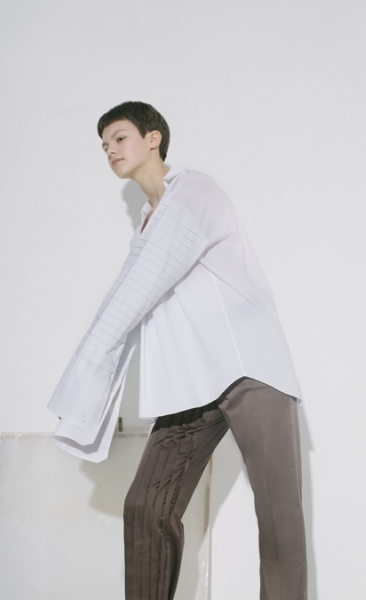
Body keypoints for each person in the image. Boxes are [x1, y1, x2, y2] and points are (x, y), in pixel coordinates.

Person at [47, 101, 307, 600]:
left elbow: (132, 294)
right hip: (192, 384)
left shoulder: (194, 191)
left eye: (119, 137)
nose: (110, 150)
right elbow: (131, 302)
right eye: (103, 145)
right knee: (147, 507)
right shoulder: (146, 226)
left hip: (251, 372)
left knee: (279, 522)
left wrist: (84, 374)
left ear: (153, 139)